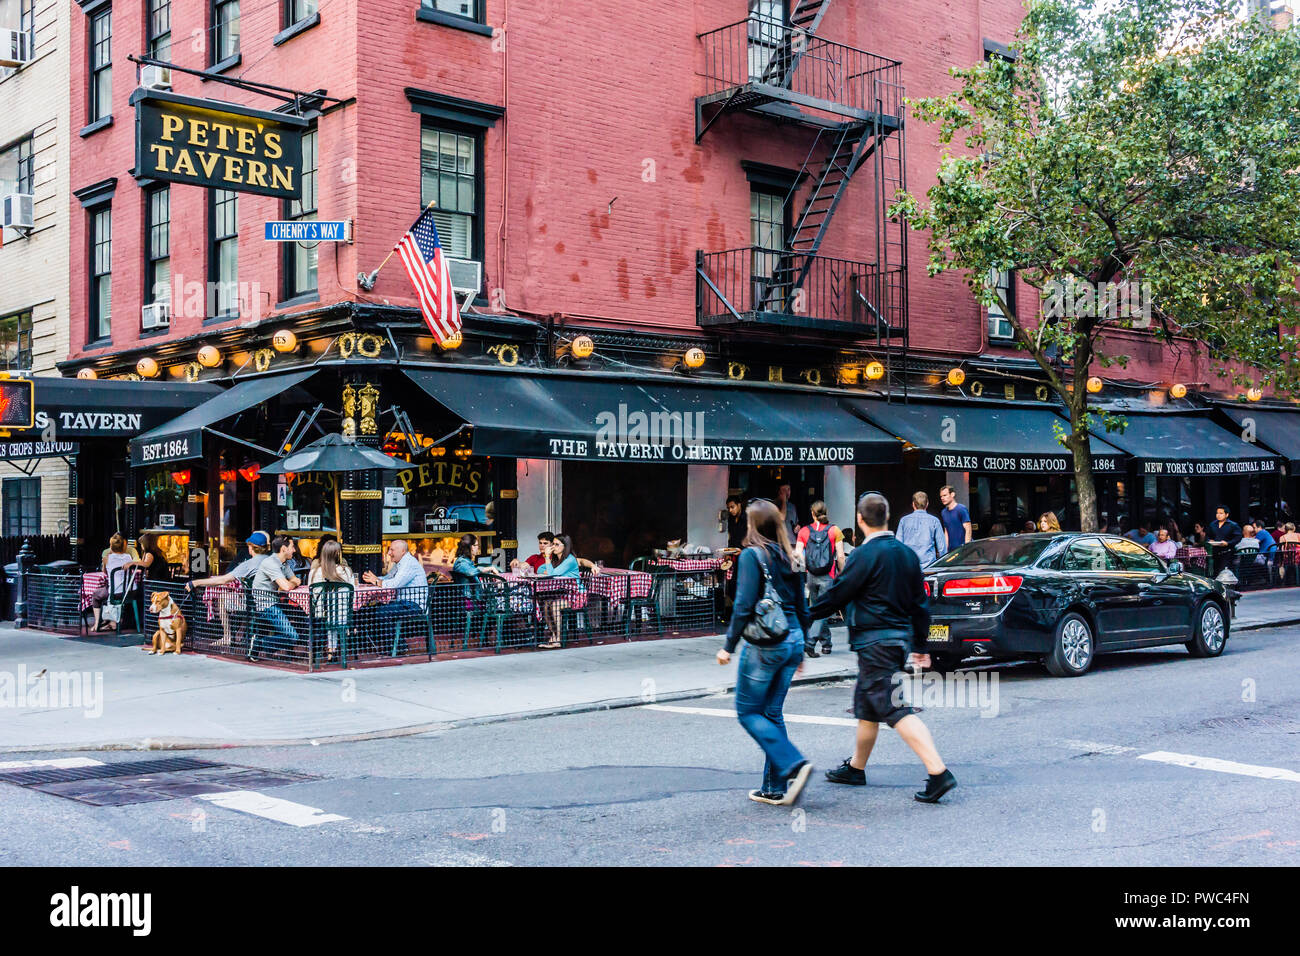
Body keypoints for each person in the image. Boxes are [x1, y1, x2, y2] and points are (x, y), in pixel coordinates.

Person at [809, 492, 957, 804]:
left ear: (860, 520)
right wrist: (920, 645)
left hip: (875, 642)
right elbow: (921, 606)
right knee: (867, 707)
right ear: (888, 517)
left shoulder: (863, 555)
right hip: (897, 641)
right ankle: (855, 768)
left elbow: (837, 595)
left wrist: (803, 615)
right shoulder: (906, 555)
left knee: (892, 707)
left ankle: (938, 772)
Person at [715, 499, 813, 807]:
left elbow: (743, 605)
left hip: (767, 643)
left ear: (754, 525)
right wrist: (803, 649)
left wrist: (728, 646)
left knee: (748, 712)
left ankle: (794, 764)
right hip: (793, 637)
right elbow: (802, 606)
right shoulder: (791, 555)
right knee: (772, 713)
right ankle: (773, 787)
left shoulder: (751, 556)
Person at [186, 531, 272, 647]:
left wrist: (196, 582)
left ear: (251, 548)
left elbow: (223, 580)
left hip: (255, 603)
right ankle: (240, 633)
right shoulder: (272, 560)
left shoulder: (249, 564)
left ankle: (227, 636)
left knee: (222, 599)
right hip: (271, 600)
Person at [794, 500, 844, 658]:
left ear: (812, 513)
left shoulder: (803, 531)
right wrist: (842, 574)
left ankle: (827, 644)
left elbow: (797, 556)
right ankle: (810, 642)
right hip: (828, 576)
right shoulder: (835, 530)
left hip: (811, 576)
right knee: (823, 612)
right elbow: (841, 556)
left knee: (817, 611)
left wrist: (796, 575)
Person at [363, 539, 430, 654]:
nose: (389, 553)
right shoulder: (401, 563)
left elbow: (394, 584)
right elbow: (389, 578)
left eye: (392, 550)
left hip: (414, 605)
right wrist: (375, 579)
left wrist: (376, 581)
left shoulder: (408, 563)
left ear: (403, 551)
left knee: (382, 612)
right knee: (377, 609)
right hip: (404, 602)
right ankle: (397, 644)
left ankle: (397, 646)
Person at [249, 535, 302, 658]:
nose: (294, 550)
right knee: (293, 636)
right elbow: (286, 586)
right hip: (266, 605)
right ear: (284, 548)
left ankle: (260, 645)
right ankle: (261, 643)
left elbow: (296, 580)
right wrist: (290, 584)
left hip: (275, 602)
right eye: (292, 547)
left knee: (300, 622)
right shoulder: (271, 563)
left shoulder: (284, 563)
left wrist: (291, 583)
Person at [307, 538, 356, 662]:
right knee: (335, 616)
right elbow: (353, 594)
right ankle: (333, 650)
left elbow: (310, 592)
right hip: (342, 614)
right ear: (338, 554)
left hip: (319, 616)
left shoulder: (314, 572)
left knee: (329, 617)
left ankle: (328, 651)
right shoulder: (346, 571)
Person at [535, 533, 587, 649]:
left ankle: (558, 639)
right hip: (563, 593)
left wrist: (547, 558)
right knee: (545, 603)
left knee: (554, 605)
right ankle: (554, 635)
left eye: (557, 544)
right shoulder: (556, 559)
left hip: (576, 594)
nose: (553, 547)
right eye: (553, 544)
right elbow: (540, 569)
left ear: (565, 546)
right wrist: (548, 563)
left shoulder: (570, 560)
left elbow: (552, 573)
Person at [90, 534, 135, 631]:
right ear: (124, 546)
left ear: (111, 546)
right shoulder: (128, 557)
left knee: (96, 595)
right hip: (130, 591)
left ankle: (97, 623)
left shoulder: (107, 558)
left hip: (115, 592)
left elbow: (105, 572)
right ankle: (114, 622)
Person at [896, 491, 945, 568]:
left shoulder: (904, 521)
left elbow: (898, 545)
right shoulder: (934, 521)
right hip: (929, 567)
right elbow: (942, 547)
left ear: (913, 504)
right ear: (927, 504)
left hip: (909, 565)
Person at [1206, 507, 1243, 576]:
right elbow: (1208, 536)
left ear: (1226, 515)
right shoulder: (1212, 524)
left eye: (1221, 513)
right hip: (1216, 552)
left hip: (1227, 552)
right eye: (1217, 513)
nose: (1218, 515)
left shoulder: (1233, 525)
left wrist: (1228, 543)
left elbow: (1238, 537)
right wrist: (1210, 540)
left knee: (1224, 573)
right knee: (1216, 572)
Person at [938, 485, 971, 551]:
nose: (942, 498)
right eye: (941, 496)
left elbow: (968, 529)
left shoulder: (961, 509)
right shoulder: (943, 512)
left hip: (962, 548)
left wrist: (966, 548)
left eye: (945, 495)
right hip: (951, 550)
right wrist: (946, 549)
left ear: (952, 494)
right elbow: (946, 531)